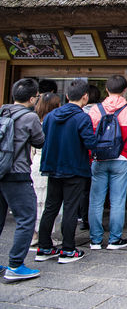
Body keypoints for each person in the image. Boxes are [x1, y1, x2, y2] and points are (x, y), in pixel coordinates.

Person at [36, 79, 97, 264]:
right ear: (85, 97)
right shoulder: (82, 118)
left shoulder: (51, 116)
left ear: (68, 96)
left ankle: (44, 247)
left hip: (52, 167)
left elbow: (43, 139)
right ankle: (68, 249)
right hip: (74, 168)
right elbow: (90, 143)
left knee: (51, 207)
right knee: (70, 208)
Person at [88, 75, 127, 250]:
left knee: (96, 200)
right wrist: (126, 145)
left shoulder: (95, 109)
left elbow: (89, 134)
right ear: (125, 90)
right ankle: (114, 239)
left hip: (99, 158)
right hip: (121, 158)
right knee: (118, 200)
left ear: (106, 89)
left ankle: (95, 240)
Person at [0, 78, 45, 281]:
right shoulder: (30, 117)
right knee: (26, 217)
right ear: (32, 98)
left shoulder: (2, 111)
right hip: (16, 173)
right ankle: (16, 265)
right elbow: (39, 141)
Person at [31, 92, 61, 247]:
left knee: (36, 200)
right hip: (50, 163)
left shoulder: (35, 122)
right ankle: (45, 235)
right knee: (49, 202)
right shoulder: (55, 123)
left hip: (35, 163)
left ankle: (34, 235)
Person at [78, 84, 101, 231]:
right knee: (95, 191)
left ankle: (81, 217)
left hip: (80, 156)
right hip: (96, 156)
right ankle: (91, 221)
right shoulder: (100, 111)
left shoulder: (78, 113)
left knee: (82, 190)